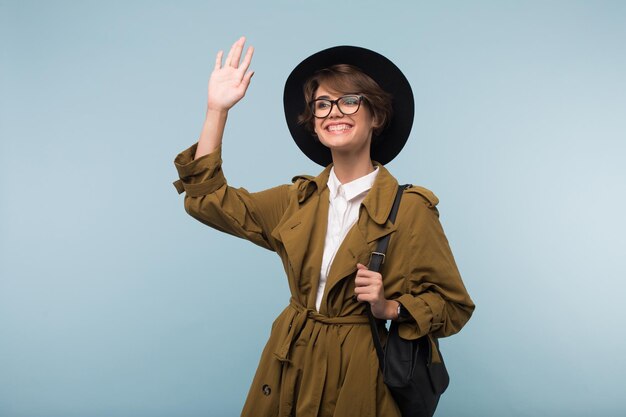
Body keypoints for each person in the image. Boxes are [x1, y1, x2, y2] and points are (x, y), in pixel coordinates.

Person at [173, 37, 475, 417]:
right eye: (322, 104)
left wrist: (390, 307)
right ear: (314, 123)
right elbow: (207, 201)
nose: (335, 111)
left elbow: (454, 306)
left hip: (358, 375)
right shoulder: (295, 200)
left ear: (376, 116)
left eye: (350, 100)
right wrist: (216, 110)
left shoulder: (411, 210)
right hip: (288, 362)